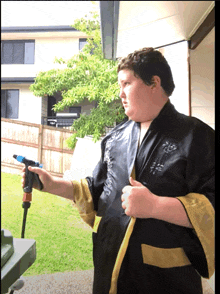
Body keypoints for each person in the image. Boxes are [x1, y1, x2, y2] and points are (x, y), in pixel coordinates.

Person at [22, 47, 215, 294]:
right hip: (109, 267)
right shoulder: (116, 137)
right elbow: (97, 190)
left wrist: (155, 206)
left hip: (162, 279)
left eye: (126, 83)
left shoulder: (196, 136)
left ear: (154, 83)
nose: (120, 93)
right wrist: (49, 184)